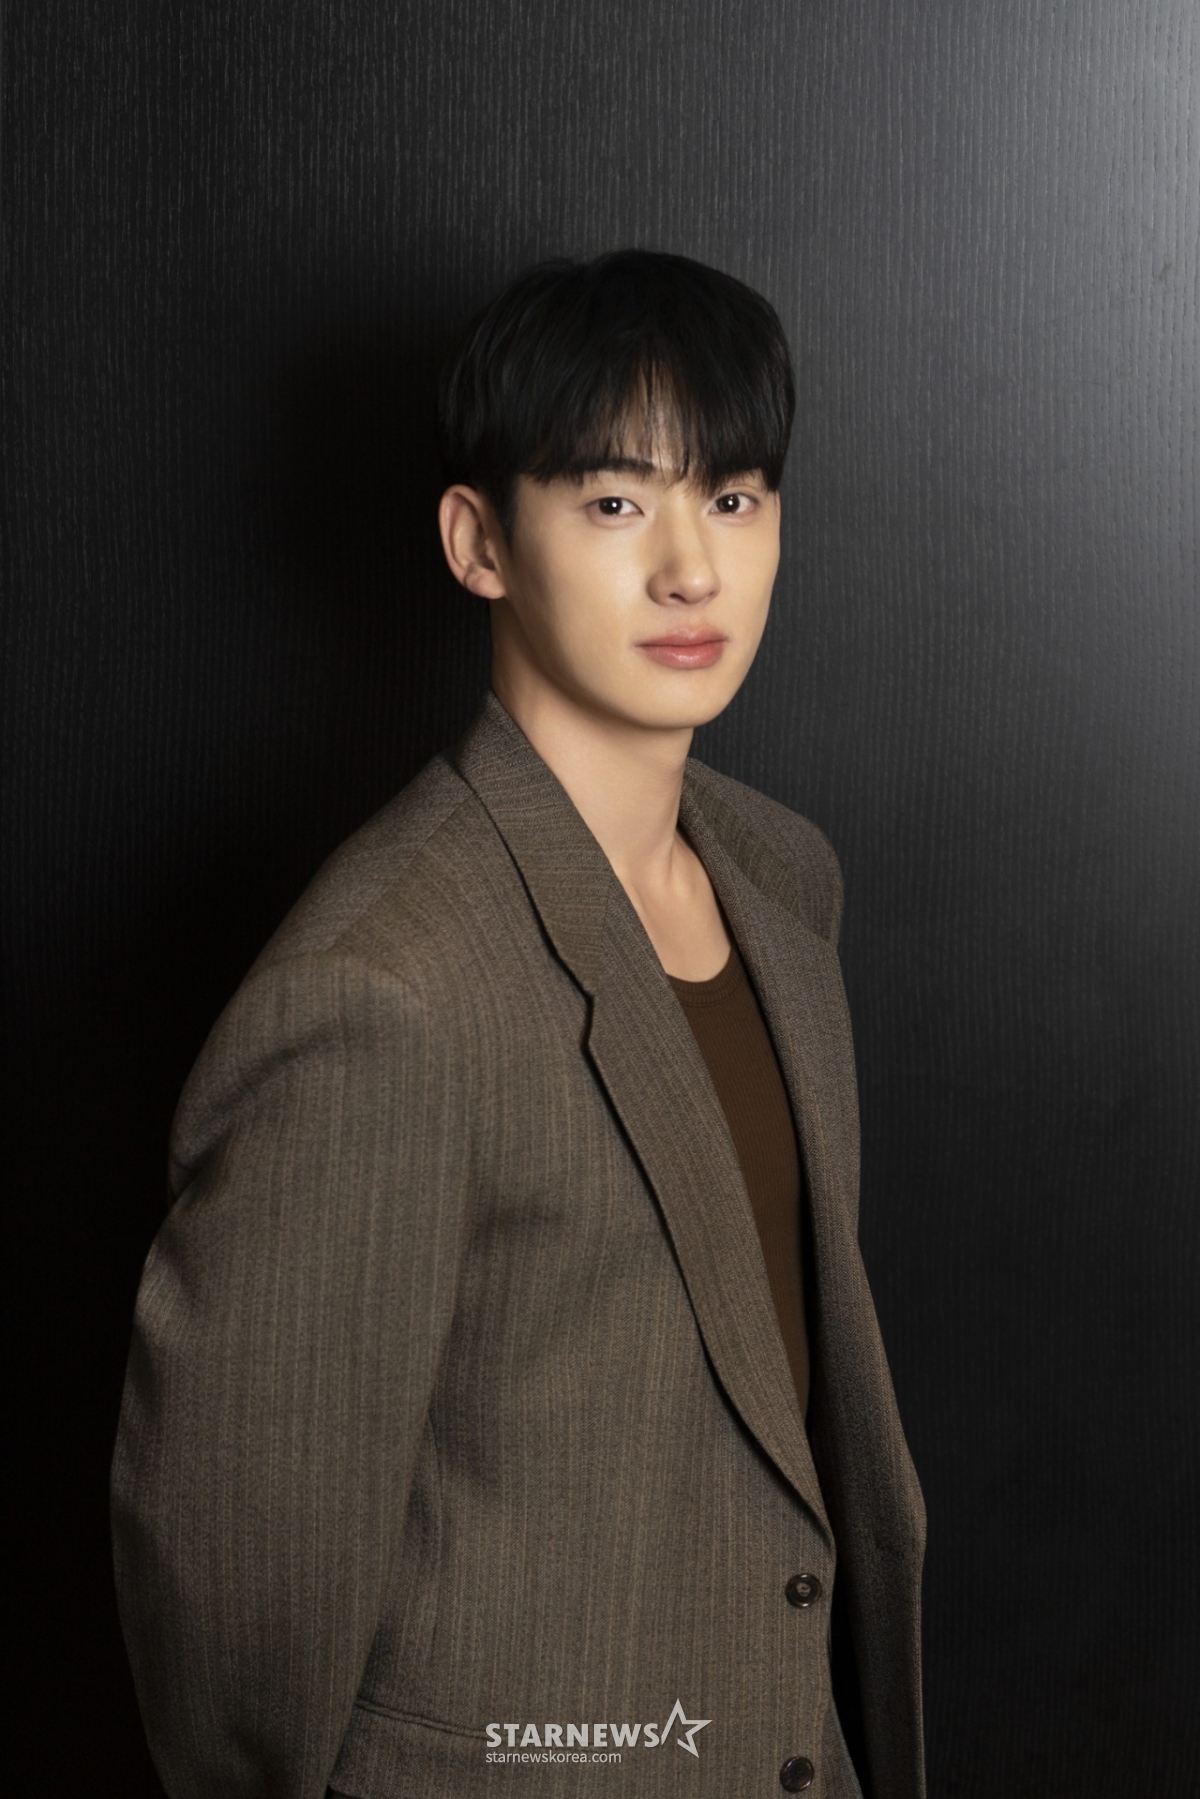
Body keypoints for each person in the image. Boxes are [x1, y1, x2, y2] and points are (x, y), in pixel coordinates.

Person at [112, 250, 925, 1799]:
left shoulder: (782, 882)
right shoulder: (381, 991)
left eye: (734, 498)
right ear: (478, 542)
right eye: (615, 502)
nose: (691, 569)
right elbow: (236, 1609)